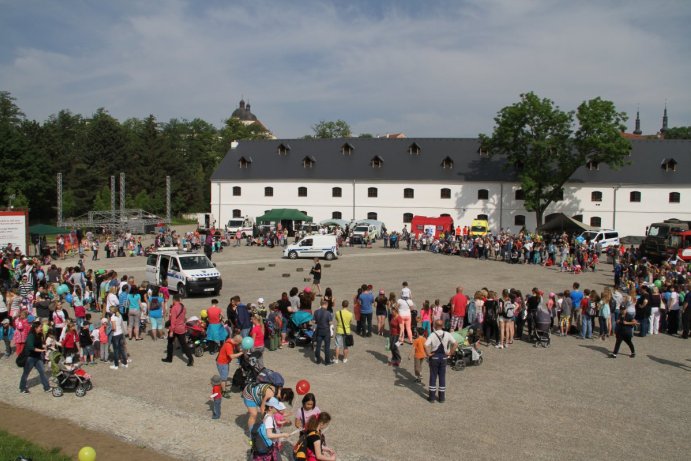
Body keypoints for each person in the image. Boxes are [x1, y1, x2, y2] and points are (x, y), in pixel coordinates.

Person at [424, 319, 458, 403]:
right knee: (442, 377)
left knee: (433, 377)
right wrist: (450, 353)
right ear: (442, 326)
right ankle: (441, 398)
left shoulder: (432, 334)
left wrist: (428, 353)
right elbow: (455, 343)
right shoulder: (447, 334)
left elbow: (425, 345)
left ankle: (432, 397)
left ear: (435, 326)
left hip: (434, 357)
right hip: (443, 357)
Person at [162, 294, 194, 367]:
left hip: (175, 328)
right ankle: (191, 359)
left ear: (174, 300)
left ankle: (169, 358)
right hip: (181, 328)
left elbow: (173, 321)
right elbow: (184, 318)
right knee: (184, 345)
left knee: (170, 343)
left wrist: (172, 331)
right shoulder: (183, 307)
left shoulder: (174, 308)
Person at [18, 322, 51, 393]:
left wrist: (45, 346)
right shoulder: (31, 336)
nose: (41, 328)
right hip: (30, 358)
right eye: (40, 327)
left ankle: (47, 387)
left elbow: (39, 344)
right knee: (26, 373)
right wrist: (42, 350)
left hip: (37, 357)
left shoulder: (39, 335)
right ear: (35, 328)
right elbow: (31, 347)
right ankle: (22, 388)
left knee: (42, 372)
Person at [313, 299, 333, 365]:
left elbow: (313, 321)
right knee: (327, 347)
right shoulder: (328, 313)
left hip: (319, 330)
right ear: (326, 305)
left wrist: (317, 322)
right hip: (326, 331)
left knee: (318, 346)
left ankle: (318, 360)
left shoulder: (316, 312)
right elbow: (330, 322)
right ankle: (327, 361)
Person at [334, 300, 353, 364]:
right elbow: (350, 322)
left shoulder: (337, 313)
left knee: (337, 345)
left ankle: (336, 359)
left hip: (339, 330)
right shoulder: (350, 314)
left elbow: (337, 319)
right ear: (347, 305)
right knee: (346, 346)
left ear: (342, 305)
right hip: (347, 331)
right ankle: (345, 358)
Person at [109, 305, 128, 369]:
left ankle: (116, 365)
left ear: (112, 311)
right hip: (120, 333)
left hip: (115, 335)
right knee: (122, 349)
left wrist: (109, 329)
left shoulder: (112, 317)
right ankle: (125, 363)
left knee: (116, 350)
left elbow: (114, 328)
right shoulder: (120, 315)